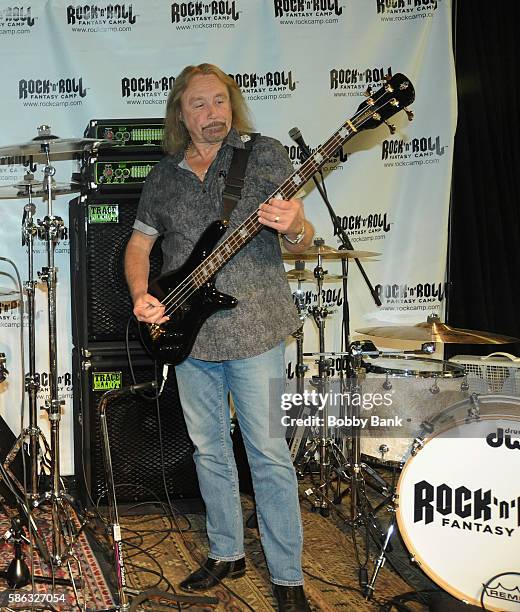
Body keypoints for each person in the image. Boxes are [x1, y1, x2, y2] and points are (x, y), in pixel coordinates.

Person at [124, 63, 314, 611]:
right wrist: (142, 295)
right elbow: (140, 247)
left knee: (269, 454)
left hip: (256, 328)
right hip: (189, 338)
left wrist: (296, 224)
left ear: (233, 104)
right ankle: (226, 550)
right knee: (210, 450)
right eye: (199, 105)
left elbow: (302, 241)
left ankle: (288, 576)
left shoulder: (265, 154)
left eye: (220, 101)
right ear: (180, 115)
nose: (213, 113)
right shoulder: (164, 177)